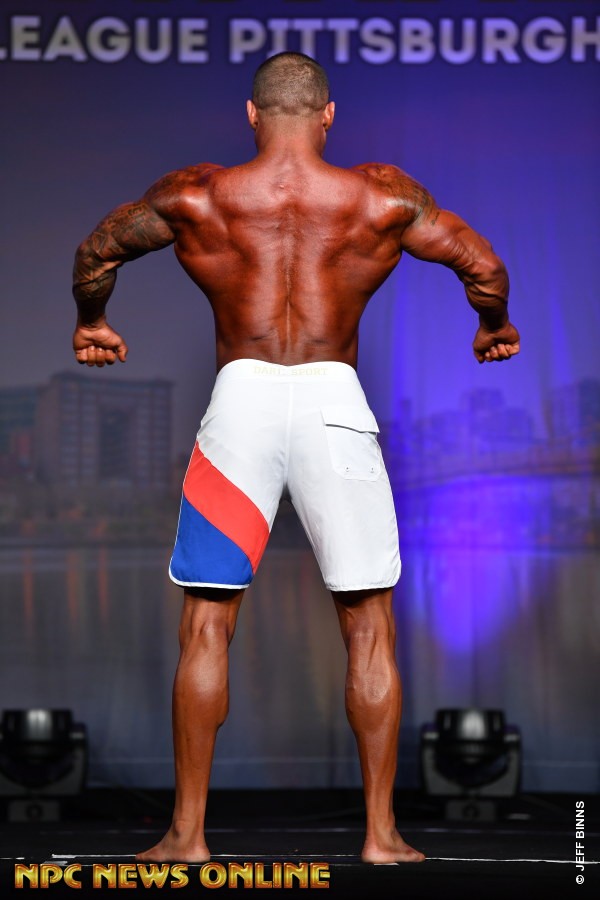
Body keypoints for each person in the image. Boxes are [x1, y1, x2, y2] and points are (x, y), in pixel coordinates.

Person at [72, 52, 519, 865]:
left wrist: (92, 322)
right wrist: (492, 325)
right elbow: (482, 266)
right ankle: (381, 836)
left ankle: (187, 836)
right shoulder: (380, 196)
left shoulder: (198, 194)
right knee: (369, 626)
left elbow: (97, 251)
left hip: (239, 402)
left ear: (251, 115)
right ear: (328, 116)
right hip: (332, 403)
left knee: (207, 623)